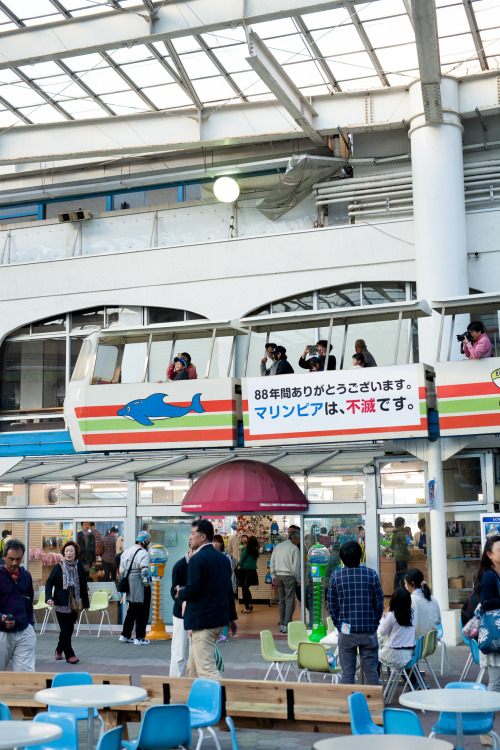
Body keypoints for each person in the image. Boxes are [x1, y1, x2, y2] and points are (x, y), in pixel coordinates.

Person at [176, 520, 237, 679]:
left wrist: (180, 593)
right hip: (218, 620)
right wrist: (231, 618)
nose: (190, 537)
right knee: (193, 668)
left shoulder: (197, 559)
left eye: (193, 533)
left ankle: (222, 700)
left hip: (203, 621)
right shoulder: (223, 558)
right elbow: (228, 590)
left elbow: (194, 589)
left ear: (202, 537)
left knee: (206, 670)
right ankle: (195, 701)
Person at [327, 540, 384, 685]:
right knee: (371, 671)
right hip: (368, 630)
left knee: (347, 672)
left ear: (342, 557)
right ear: (360, 556)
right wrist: (374, 622)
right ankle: (372, 705)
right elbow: (379, 602)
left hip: (346, 631)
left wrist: (339, 625)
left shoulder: (336, 576)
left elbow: (332, 606)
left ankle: (349, 704)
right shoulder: (371, 574)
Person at [45, 540, 89, 664]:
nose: (68, 553)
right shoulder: (58, 567)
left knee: (68, 629)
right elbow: (49, 582)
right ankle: (69, 654)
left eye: (71, 551)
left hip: (75, 603)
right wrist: (49, 597)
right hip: (60, 603)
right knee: (66, 628)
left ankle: (59, 649)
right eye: (66, 551)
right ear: (63, 553)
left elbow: (83, 585)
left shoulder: (79, 567)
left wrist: (86, 603)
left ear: (76, 553)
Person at [0, 539, 36, 672]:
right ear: (4, 557)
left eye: (18, 559)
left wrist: (30, 625)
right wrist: (1, 618)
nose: (15, 563)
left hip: (24, 630)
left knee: (25, 675)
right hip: (2, 633)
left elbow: (29, 601)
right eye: (11, 559)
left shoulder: (26, 576)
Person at [119, 530, 152, 646]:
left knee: (132, 609)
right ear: (146, 541)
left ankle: (125, 635)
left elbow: (121, 570)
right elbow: (144, 571)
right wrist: (147, 585)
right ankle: (140, 637)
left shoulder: (126, 551)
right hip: (139, 582)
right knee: (142, 609)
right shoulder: (144, 553)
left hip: (129, 581)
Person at [477, 535, 500, 692]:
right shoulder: (489, 576)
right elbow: (485, 603)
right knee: (496, 683)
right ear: (489, 555)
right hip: (496, 635)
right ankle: (485, 715)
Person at [270, 530, 300, 633]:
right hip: (289, 576)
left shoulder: (278, 547)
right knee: (290, 600)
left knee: (281, 601)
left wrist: (273, 574)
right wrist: (298, 579)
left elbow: (272, 561)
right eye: (298, 539)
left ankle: (282, 623)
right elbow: (296, 566)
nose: (299, 541)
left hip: (279, 575)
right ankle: (287, 624)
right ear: (294, 538)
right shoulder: (294, 548)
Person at [378, 587, 416, 670]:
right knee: (402, 666)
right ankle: (413, 682)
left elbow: (382, 632)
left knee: (375, 657)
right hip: (409, 654)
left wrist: (384, 618)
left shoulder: (392, 615)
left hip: (393, 654)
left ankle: (374, 682)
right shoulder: (413, 614)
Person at [170, 548, 192, 677]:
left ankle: (192, 685)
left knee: (196, 655)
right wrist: (183, 603)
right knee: (178, 654)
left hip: (197, 615)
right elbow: (174, 592)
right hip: (181, 615)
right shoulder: (179, 566)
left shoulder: (201, 565)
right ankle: (174, 685)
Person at [404, 568, 441, 641]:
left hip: (415, 643)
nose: (405, 586)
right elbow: (438, 621)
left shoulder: (410, 600)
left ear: (412, 583)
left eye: (405, 583)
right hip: (431, 644)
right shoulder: (433, 599)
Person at [213, 535, 236, 641]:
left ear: (222, 543)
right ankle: (216, 633)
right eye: (213, 542)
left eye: (217, 542)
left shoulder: (226, 556)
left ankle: (224, 633)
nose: (215, 544)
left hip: (223, 587)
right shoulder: (209, 555)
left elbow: (228, 572)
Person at [238, 535, 259, 614]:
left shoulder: (245, 550)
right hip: (253, 572)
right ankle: (250, 604)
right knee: (246, 588)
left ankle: (247, 608)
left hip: (245, 572)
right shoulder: (256, 551)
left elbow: (240, 562)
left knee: (244, 589)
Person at [391, 516, 410, 591]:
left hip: (397, 556)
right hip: (403, 557)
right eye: (403, 523)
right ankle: (403, 590)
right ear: (402, 524)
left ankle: (396, 590)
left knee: (398, 574)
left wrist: (397, 551)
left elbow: (392, 546)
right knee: (403, 574)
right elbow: (403, 545)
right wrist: (408, 553)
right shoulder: (401, 533)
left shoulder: (394, 533)